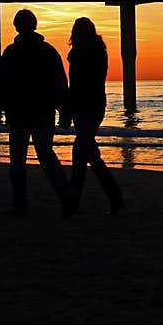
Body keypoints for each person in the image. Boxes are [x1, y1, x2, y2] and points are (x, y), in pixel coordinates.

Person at [0, 9, 72, 217]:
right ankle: (66, 198)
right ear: (34, 25)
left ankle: (20, 206)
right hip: (42, 112)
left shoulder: (11, 52)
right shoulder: (47, 50)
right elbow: (60, 83)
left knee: (17, 161)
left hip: (19, 113)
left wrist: (3, 105)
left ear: (17, 27)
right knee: (46, 156)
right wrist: (63, 110)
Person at [59, 17, 124, 217]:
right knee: (84, 153)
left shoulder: (79, 55)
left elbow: (75, 86)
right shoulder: (99, 52)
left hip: (83, 107)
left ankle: (110, 198)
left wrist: (66, 112)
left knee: (84, 153)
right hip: (96, 106)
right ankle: (81, 201)